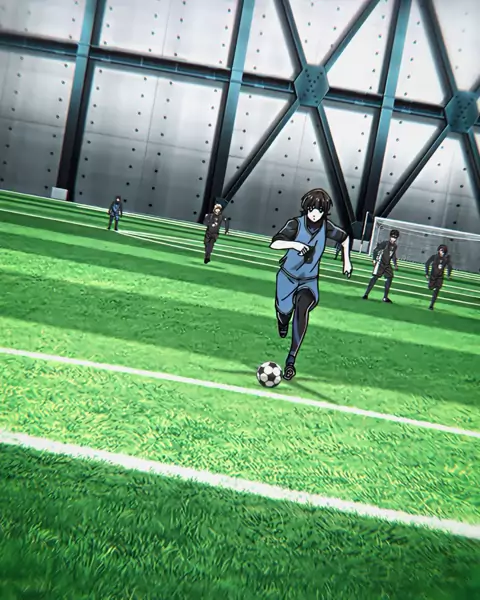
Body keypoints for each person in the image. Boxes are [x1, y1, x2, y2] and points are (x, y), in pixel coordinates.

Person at [270, 188, 353, 381]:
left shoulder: (327, 227)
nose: (315, 213)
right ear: (306, 208)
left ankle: (291, 360)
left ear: (325, 212)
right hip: (287, 277)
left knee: (302, 308)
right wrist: (294, 244)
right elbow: (275, 243)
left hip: (309, 281)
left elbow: (345, 238)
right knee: (284, 310)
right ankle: (283, 321)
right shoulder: (295, 224)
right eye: (311, 209)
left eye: (320, 210)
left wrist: (346, 262)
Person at [362, 229, 400, 303]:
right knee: (374, 278)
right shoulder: (385, 243)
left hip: (387, 264)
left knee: (389, 278)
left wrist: (395, 264)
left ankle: (385, 297)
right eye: (393, 237)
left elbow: (393, 255)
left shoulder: (395, 246)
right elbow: (376, 250)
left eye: (395, 237)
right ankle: (366, 294)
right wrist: (374, 259)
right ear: (390, 236)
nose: (394, 238)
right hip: (380, 263)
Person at [425, 245, 452, 310]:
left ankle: (431, 305)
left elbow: (450, 267)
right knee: (430, 287)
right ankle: (432, 287)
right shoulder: (434, 257)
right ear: (439, 250)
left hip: (440, 277)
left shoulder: (446, 259)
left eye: (443, 251)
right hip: (433, 276)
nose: (442, 252)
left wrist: (448, 275)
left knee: (436, 290)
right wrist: (427, 273)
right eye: (441, 250)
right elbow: (427, 263)